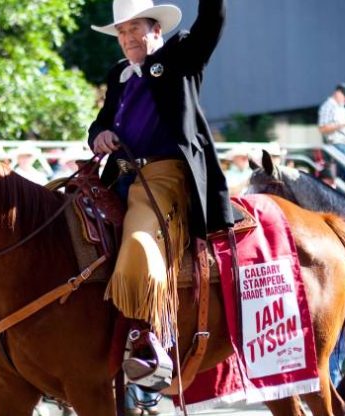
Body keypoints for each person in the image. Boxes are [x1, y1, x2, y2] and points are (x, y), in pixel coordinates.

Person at [86, 0, 234, 387]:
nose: (127, 37)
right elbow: (100, 123)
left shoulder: (180, 55)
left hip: (164, 177)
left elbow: (211, 21)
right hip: (117, 176)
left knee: (137, 239)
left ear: (156, 31)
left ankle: (150, 338)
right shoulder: (118, 73)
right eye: (121, 32)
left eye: (135, 28)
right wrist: (98, 136)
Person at [318, 83, 345, 181]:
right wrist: (344, 124)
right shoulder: (328, 106)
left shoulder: (340, 107)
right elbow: (323, 128)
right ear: (338, 93)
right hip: (337, 144)